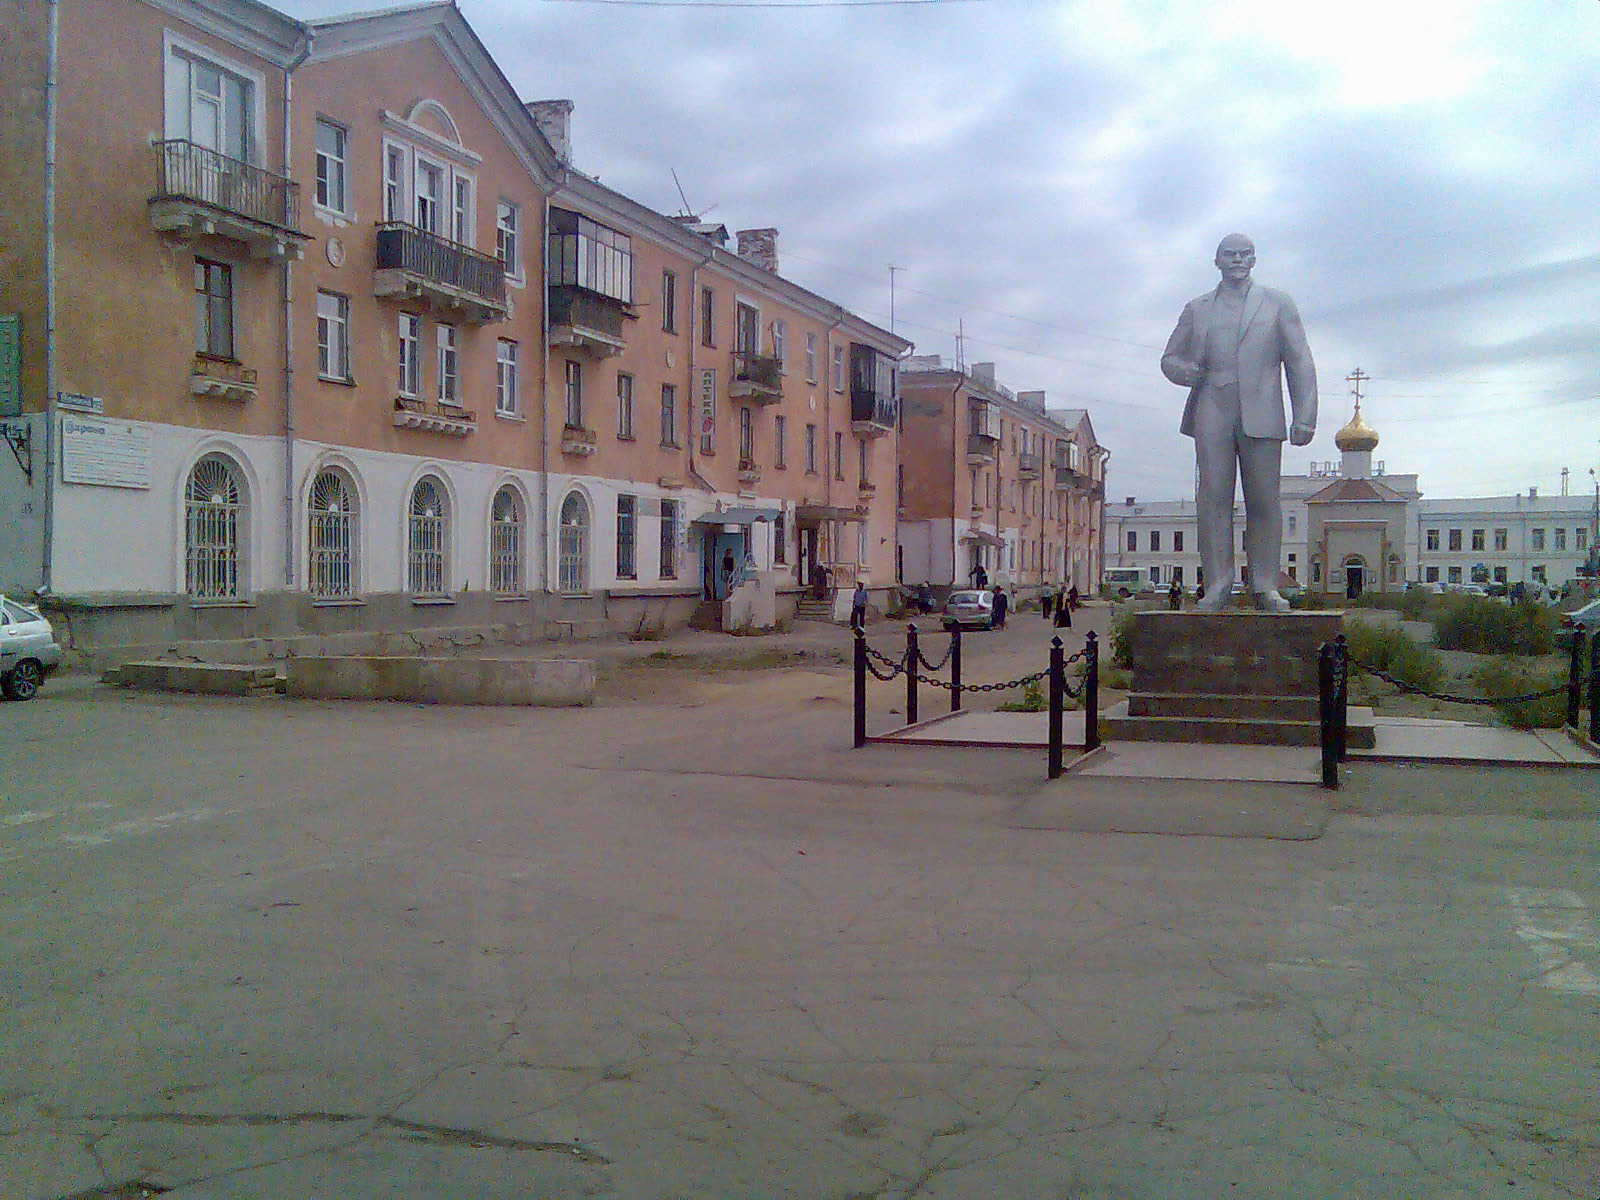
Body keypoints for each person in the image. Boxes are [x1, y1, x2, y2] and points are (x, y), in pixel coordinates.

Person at [1162, 234, 1317, 614]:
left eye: (1244, 254)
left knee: (1264, 500)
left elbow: (1299, 359)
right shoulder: (1197, 308)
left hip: (1262, 410)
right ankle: (1218, 585)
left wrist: (1305, 417)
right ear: (1217, 260)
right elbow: (1170, 358)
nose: (1237, 260)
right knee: (1213, 498)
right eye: (1229, 254)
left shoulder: (1278, 303)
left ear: (1254, 260)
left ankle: (1264, 585)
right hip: (1212, 407)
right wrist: (1185, 372)